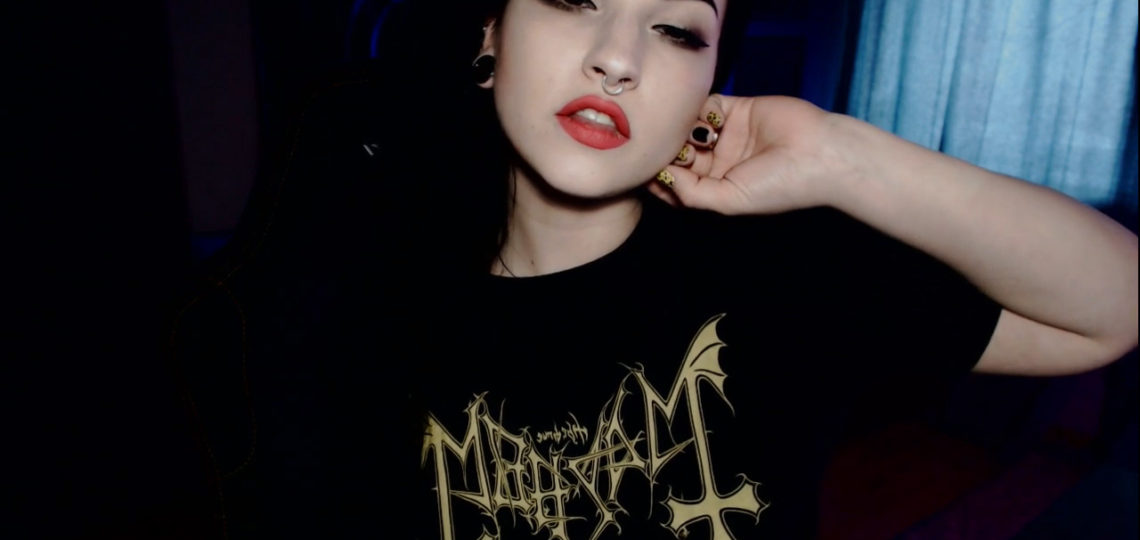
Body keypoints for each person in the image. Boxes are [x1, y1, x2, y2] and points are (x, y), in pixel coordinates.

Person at [175, 0, 1137, 538]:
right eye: (572, 0)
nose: (617, 60)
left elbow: (1112, 306)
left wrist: (845, 156)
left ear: (710, 82)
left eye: (676, 30)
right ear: (489, 34)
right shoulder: (359, 295)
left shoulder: (785, 274)